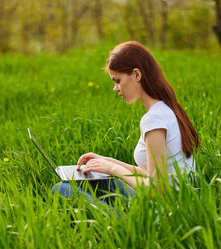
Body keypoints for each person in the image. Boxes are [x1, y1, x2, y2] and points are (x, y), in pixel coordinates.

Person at [51, 41, 199, 208]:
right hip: (171, 203)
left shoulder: (154, 120)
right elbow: (151, 175)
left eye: (118, 81)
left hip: (160, 213)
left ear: (136, 75)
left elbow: (157, 190)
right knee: (90, 182)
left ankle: (118, 225)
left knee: (61, 189)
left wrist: (114, 169)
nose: (115, 88)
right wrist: (106, 162)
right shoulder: (166, 109)